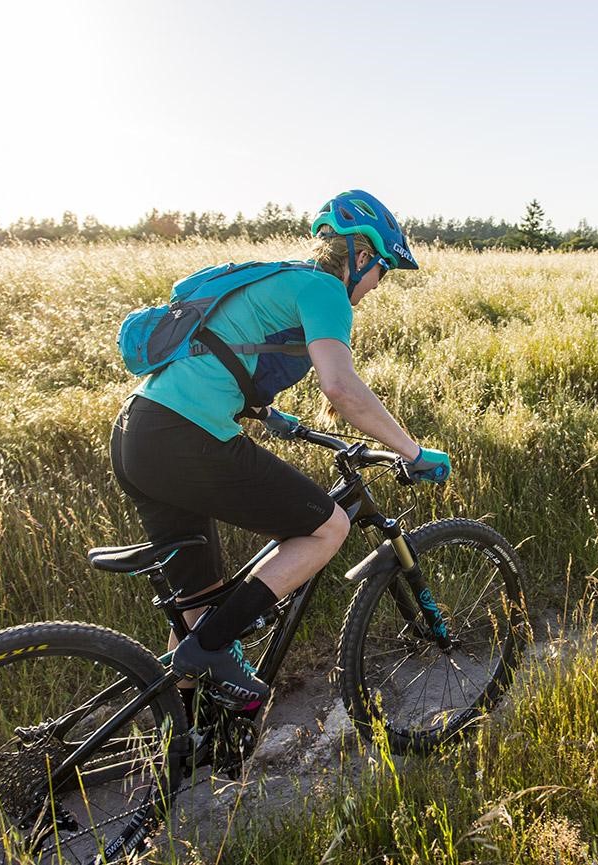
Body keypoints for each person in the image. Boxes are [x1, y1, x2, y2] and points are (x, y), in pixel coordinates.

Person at [109, 190, 450, 715]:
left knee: (200, 611)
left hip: (138, 432)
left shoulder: (276, 279)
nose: (378, 284)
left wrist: (270, 417)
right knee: (328, 527)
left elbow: (220, 353)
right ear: (362, 256)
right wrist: (412, 450)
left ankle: (181, 746)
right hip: (183, 438)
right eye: (383, 269)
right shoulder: (324, 289)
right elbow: (341, 387)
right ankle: (211, 654)